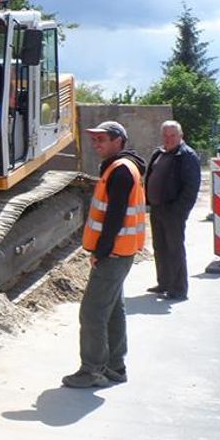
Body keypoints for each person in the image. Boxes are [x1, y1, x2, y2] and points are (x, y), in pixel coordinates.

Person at [63, 120, 147, 389]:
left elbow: (115, 216)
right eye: (95, 140)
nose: (96, 144)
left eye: (102, 139)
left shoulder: (120, 171)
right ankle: (115, 366)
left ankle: (92, 370)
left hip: (113, 253)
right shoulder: (123, 167)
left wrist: (102, 250)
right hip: (121, 251)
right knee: (113, 310)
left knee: (92, 312)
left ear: (118, 141)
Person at [143, 119, 201, 301]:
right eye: (165, 135)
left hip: (173, 211)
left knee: (174, 249)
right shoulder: (159, 153)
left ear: (181, 136)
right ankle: (164, 283)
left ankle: (179, 289)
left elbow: (191, 188)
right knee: (159, 247)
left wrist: (178, 211)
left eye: (172, 135)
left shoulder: (187, 156)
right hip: (157, 208)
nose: (168, 139)